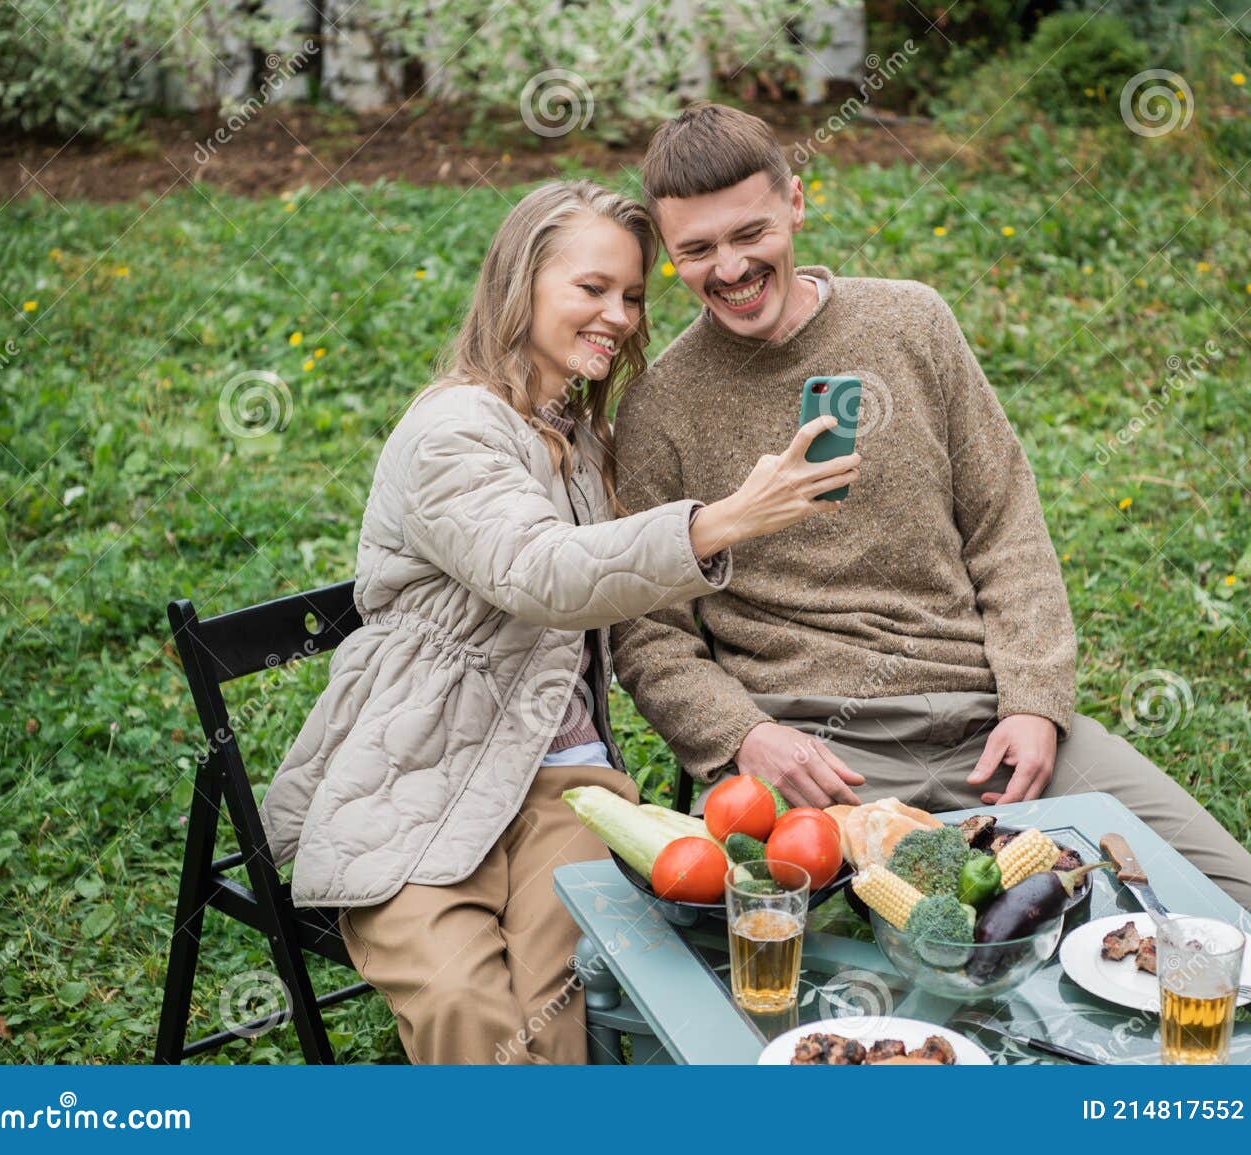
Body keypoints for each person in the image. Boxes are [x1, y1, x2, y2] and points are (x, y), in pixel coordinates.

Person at [610, 104, 1251, 944]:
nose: (731, 267)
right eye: (697, 250)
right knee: (954, 957)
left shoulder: (912, 323)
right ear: (669, 253)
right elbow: (648, 633)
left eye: (749, 231)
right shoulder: (658, 406)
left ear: (798, 201)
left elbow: (1006, 520)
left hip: (987, 719)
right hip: (823, 753)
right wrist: (745, 736)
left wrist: (1037, 702)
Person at [260, 178, 860, 1064]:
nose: (617, 315)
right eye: (591, 288)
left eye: (629, 295)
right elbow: (538, 572)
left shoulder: (582, 438)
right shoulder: (453, 430)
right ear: (521, 284)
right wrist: (722, 518)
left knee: (567, 987)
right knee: (466, 1002)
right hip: (421, 773)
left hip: (565, 781)